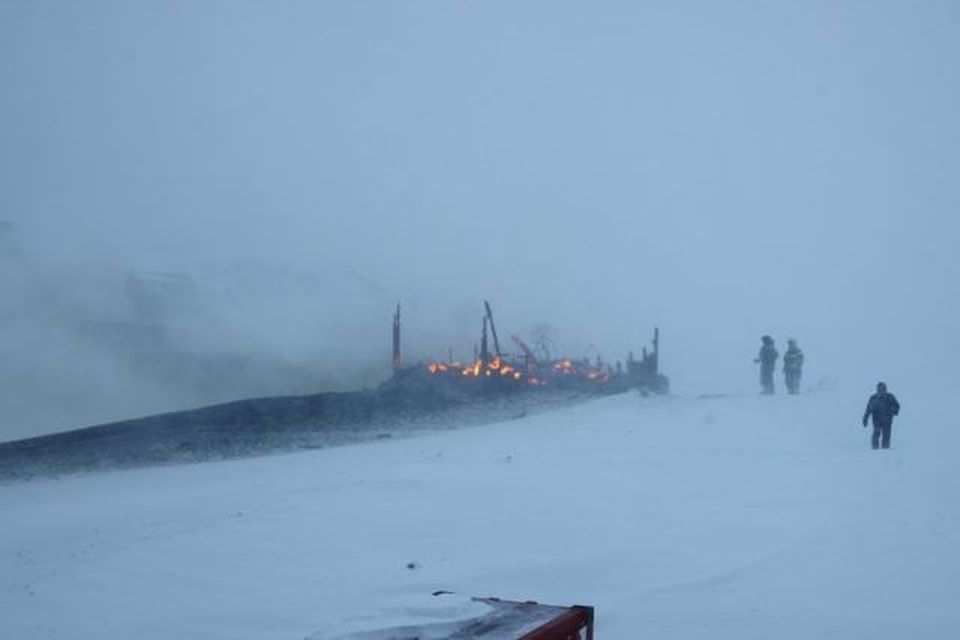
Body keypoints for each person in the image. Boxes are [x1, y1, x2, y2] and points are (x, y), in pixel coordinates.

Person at [862, 382, 901, 449]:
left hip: (888, 420)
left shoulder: (890, 397)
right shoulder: (873, 398)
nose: (881, 391)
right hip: (877, 420)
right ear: (877, 390)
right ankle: (875, 449)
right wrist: (865, 418)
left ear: (886, 390)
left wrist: (893, 410)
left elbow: (897, 406)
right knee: (876, 433)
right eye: (879, 390)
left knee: (886, 435)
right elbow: (868, 410)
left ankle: (885, 450)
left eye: (883, 389)